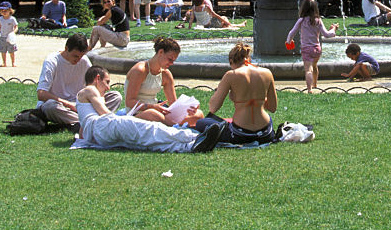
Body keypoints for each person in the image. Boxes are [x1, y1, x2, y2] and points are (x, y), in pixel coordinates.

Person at [75, 66, 223, 154]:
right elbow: (105, 114)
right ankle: (192, 138)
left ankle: (189, 146)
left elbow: (84, 129)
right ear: (97, 78)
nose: (108, 88)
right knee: (148, 129)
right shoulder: (89, 90)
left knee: (144, 140)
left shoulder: (84, 99)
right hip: (105, 125)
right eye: (106, 82)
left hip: (101, 131)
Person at [193, 42, 278, 144]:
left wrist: (219, 91)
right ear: (248, 59)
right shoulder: (267, 73)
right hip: (265, 133)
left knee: (201, 122)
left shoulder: (231, 75)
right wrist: (258, 98)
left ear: (231, 61)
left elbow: (213, 108)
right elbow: (272, 108)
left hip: (240, 134)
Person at [123, 36, 203, 127]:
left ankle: (175, 125)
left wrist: (188, 108)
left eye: (174, 61)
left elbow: (173, 104)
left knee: (198, 114)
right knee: (153, 114)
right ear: (161, 52)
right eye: (170, 59)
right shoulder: (140, 70)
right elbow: (129, 102)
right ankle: (175, 126)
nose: (172, 63)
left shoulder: (166, 74)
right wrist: (152, 106)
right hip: (137, 114)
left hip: (157, 111)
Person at [36, 33, 92, 129]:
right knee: (51, 107)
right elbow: (41, 94)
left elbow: (93, 85)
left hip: (78, 104)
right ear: (66, 49)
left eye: (81, 56)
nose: (78, 60)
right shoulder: (52, 61)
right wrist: (68, 104)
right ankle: (89, 120)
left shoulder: (85, 61)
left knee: (115, 96)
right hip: (59, 105)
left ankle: (83, 120)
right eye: (75, 56)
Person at [286, 0, 338, 92]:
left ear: (303, 9)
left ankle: (309, 89)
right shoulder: (318, 20)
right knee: (314, 66)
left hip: (306, 49)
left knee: (308, 70)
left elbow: (292, 32)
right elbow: (327, 34)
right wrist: (333, 29)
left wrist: (288, 41)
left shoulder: (301, 20)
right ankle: (315, 84)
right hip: (317, 49)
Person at [0, 1, 19, 67]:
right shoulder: (0, 19)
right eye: (2, 11)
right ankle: (4, 62)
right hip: (3, 37)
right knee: (3, 51)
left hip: (10, 38)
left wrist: (13, 32)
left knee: (11, 51)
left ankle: (13, 62)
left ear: (10, 10)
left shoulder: (12, 19)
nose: (4, 12)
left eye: (6, 10)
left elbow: (16, 27)